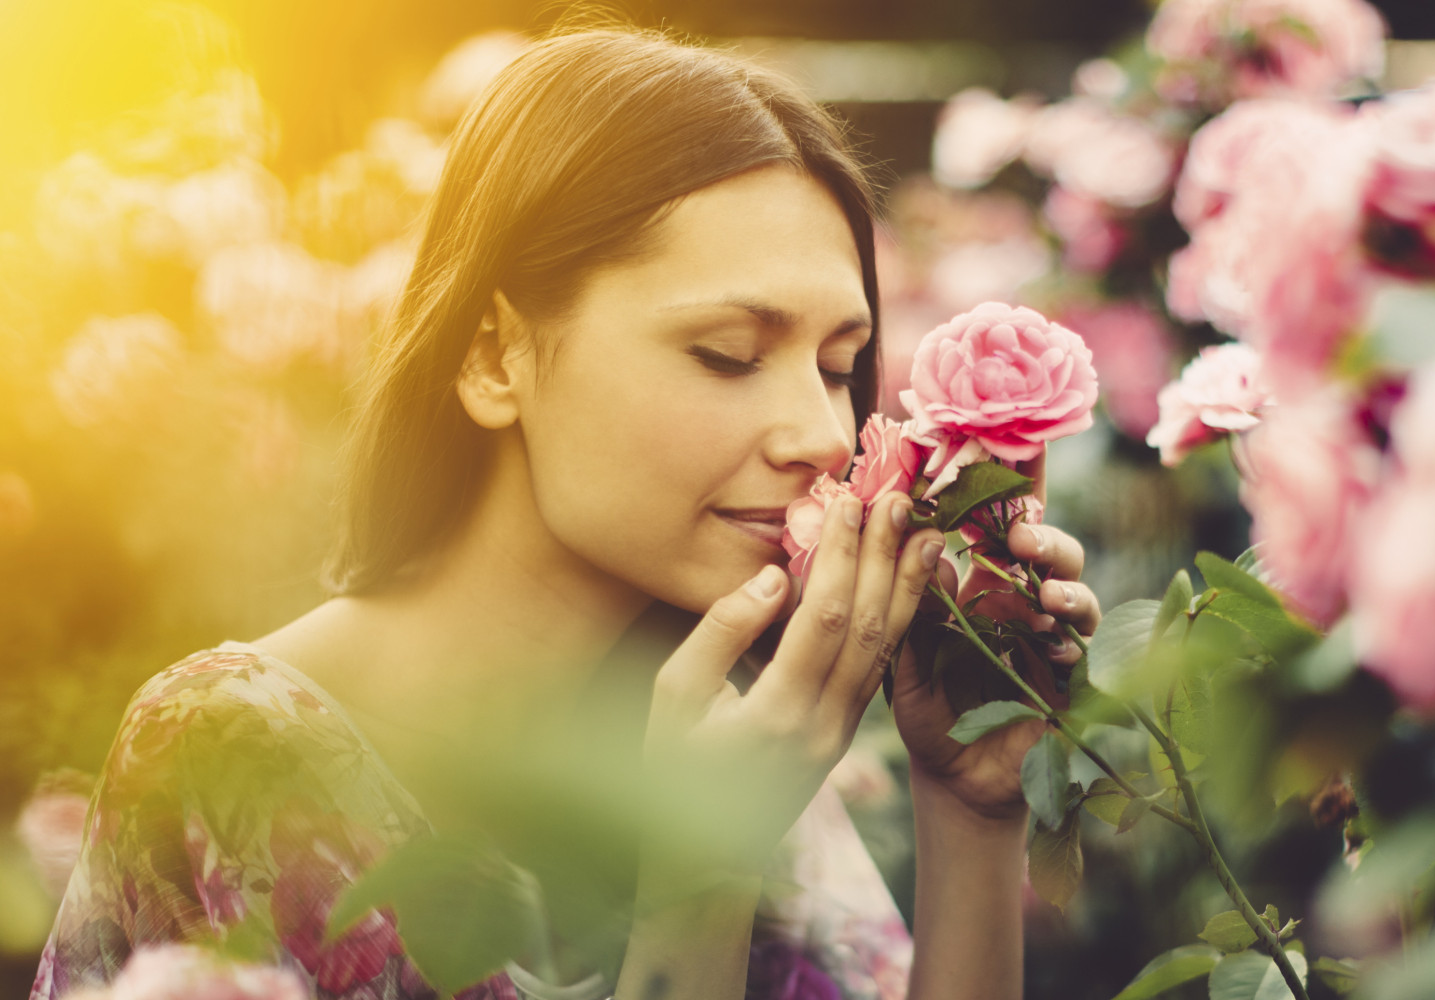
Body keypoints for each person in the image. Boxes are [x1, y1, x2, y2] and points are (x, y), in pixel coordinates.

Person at [31, 25, 1103, 1000]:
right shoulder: (231, 753)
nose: (823, 434)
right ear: (494, 358)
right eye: (727, 354)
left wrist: (971, 808)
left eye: (837, 364)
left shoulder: (721, 736)